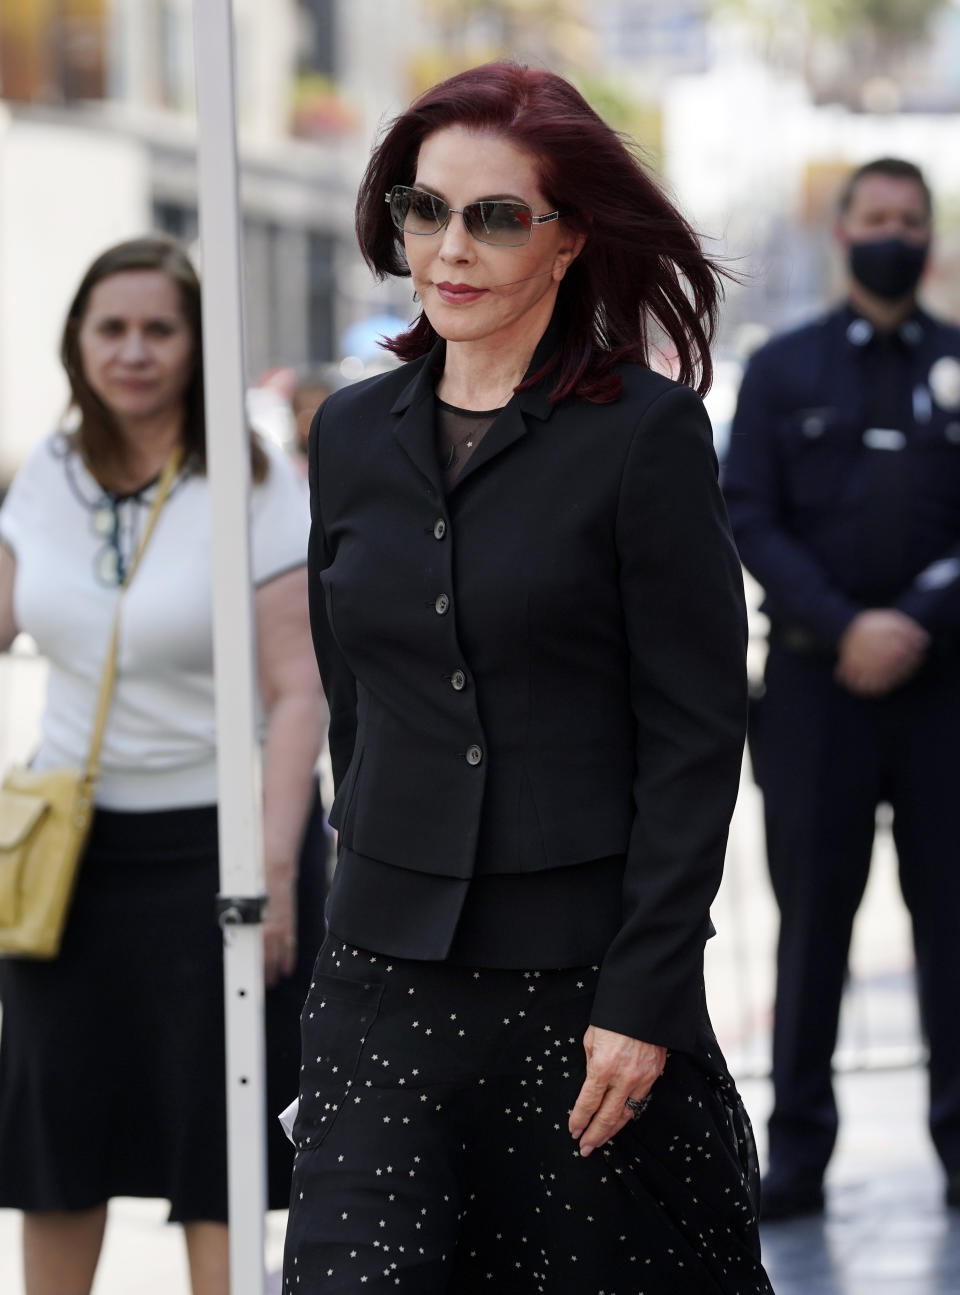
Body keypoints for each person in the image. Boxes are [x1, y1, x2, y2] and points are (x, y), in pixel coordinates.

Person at [282, 61, 771, 1294]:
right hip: (380, 980)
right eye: (424, 207)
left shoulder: (645, 436)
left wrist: (649, 989)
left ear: (569, 240)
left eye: (497, 214)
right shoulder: (346, 432)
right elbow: (358, 696)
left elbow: (697, 733)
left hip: (582, 995)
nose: (451, 245)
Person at [0, 234, 327, 1295]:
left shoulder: (254, 480)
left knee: (217, 1144)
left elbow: (299, 690)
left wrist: (274, 871)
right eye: (112, 328)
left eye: (159, 328)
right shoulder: (44, 472)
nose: (133, 350)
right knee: (54, 1141)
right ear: (77, 344)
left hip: (219, 851)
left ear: (196, 346)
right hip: (67, 855)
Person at [723, 158, 960, 1220]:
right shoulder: (782, 369)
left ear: (932, 237)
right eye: (877, 217)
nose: (893, 234)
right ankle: (799, 1154)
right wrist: (844, 621)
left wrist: (914, 618)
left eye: (911, 220)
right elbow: (749, 514)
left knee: (953, 924)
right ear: (840, 230)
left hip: (944, 686)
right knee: (812, 926)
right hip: (818, 689)